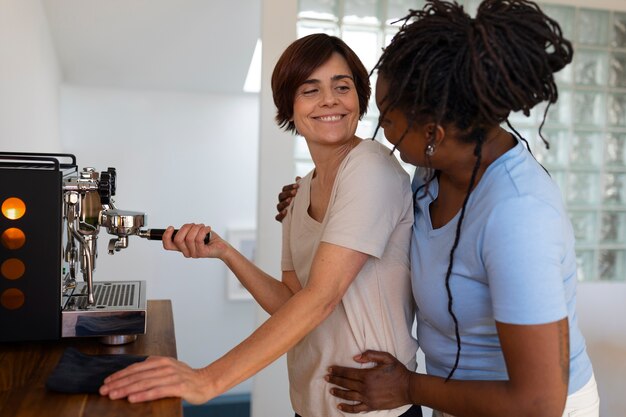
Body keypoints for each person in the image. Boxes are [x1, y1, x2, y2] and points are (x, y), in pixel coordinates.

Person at [277, 1, 600, 416]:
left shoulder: (519, 218)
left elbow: (538, 402)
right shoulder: (433, 171)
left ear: (433, 133)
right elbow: (380, 217)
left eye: (390, 123)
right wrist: (313, 193)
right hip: (451, 396)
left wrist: (410, 386)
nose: (385, 138)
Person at [99, 33, 420, 417]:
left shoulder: (370, 167)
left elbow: (322, 296)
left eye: (342, 86)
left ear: (359, 98)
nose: (329, 100)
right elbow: (291, 301)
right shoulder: (301, 193)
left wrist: (208, 380)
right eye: (310, 90)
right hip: (311, 405)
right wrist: (224, 252)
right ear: (289, 106)